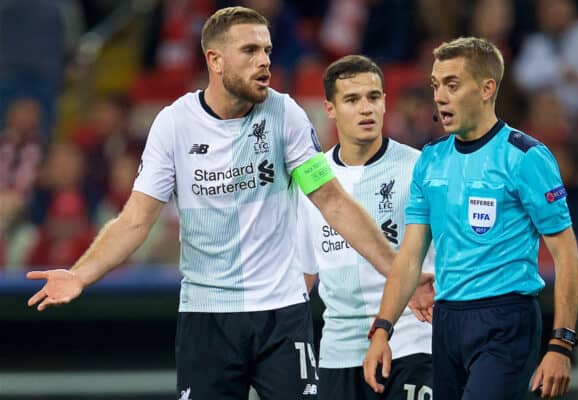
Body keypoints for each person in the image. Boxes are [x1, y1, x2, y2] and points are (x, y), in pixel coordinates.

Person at [26, 6, 397, 400]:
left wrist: (398, 273)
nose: (264, 62)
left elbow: (332, 202)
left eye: (267, 51)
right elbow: (135, 221)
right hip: (207, 317)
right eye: (250, 51)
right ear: (215, 60)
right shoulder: (174, 125)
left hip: (281, 312)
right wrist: (80, 275)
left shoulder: (284, 114)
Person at [363, 37, 578, 400]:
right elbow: (410, 255)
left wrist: (560, 344)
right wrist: (383, 331)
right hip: (447, 321)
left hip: (506, 318)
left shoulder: (525, 158)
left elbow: (567, 256)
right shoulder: (431, 161)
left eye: (452, 84)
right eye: (436, 85)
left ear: (486, 88)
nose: (440, 96)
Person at [297, 55, 435, 400]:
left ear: (386, 102)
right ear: (330, 109)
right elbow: (304, 275)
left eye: (374, 97)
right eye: (352, 100)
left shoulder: (420, 168)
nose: (366, 109)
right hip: (338, 351)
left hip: (412, 339)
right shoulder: (311, 183)